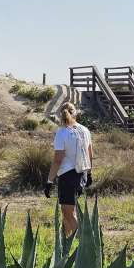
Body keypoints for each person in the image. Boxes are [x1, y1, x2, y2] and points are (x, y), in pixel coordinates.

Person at [45, 102, 93, 237]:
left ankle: (84, 240)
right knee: (68, 210)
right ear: (75, 113)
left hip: (68, 176)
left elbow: (57, 160)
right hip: (82, 173)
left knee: (68, 212)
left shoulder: (62, 133)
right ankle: (66, 242)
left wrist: (49, 182)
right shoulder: (85, 130)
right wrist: (89, 174)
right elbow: (90, 154)